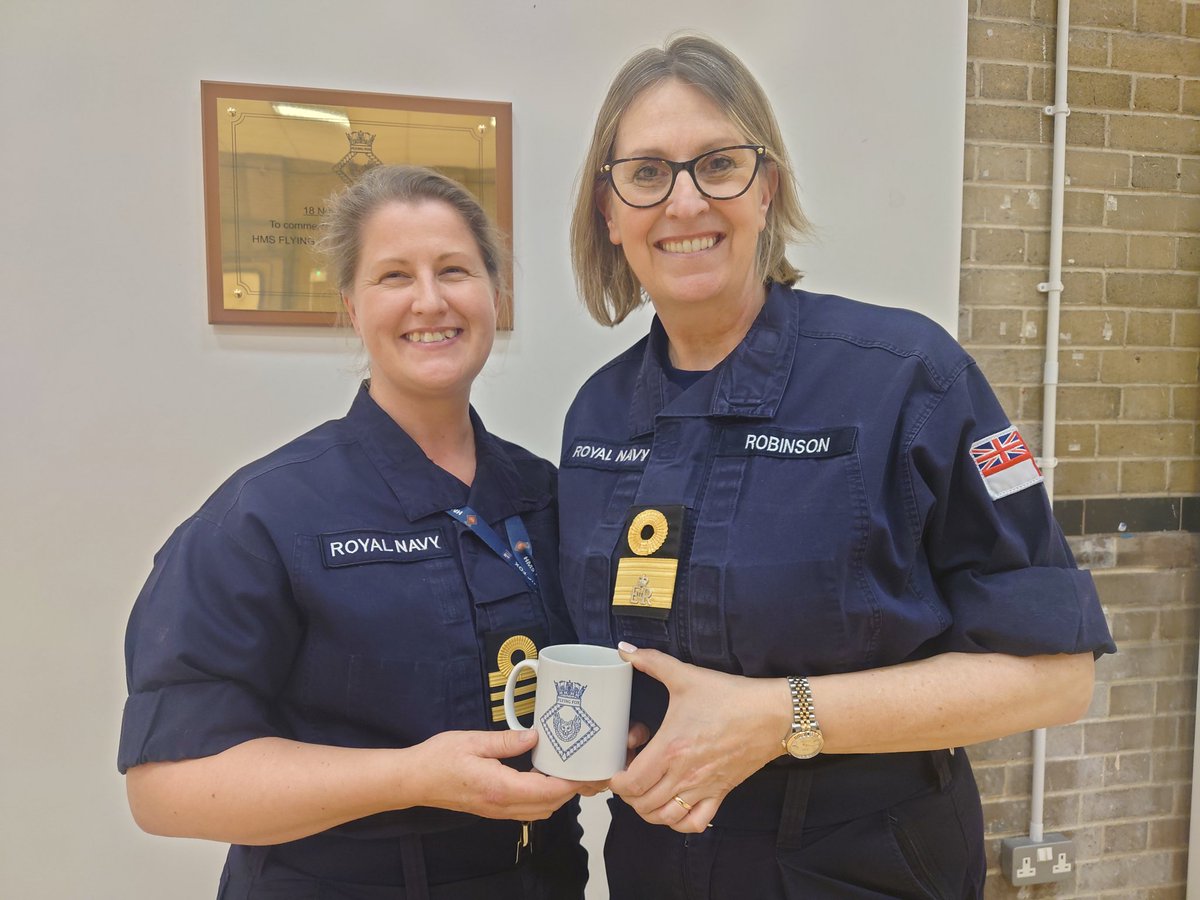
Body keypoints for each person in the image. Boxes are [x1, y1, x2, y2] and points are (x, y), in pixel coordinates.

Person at [559, 34, 1115, 899]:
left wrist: (781, 718)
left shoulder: (905, 376)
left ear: (767, 186)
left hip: (865, 868)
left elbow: (1057, 677)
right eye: (646, 173)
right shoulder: (596, 414)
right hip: (655, 869)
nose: (685, 200)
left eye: (719, 164)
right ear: (609, 211)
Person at [119, 165, 594, 899]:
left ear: (495, 297)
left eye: (455, 270)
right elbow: (166, 787)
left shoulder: (547, 496)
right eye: (394, 275)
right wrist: (408, 777)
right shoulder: (263, 515)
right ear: (351, 305)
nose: (429, 300)